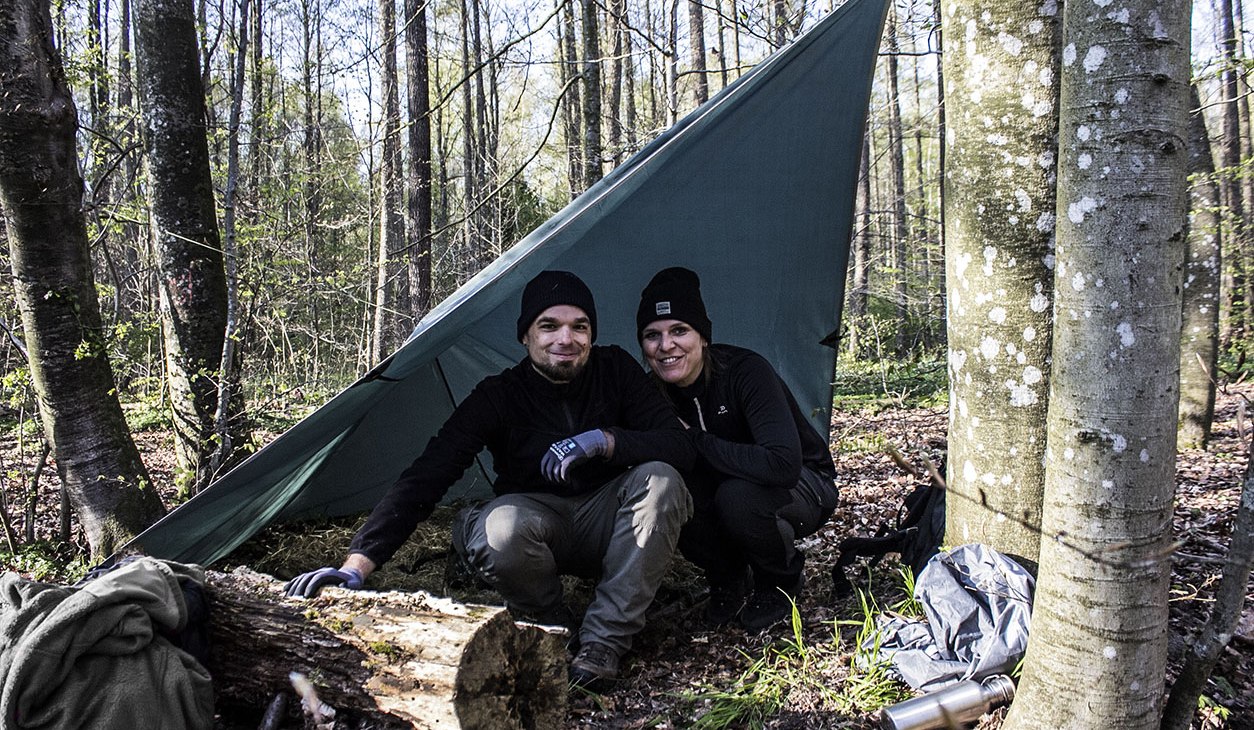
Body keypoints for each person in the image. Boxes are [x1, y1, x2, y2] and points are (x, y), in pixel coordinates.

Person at [286, 270, 695, 689]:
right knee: (501, 528)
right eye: (549, 326)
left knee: (662, 480)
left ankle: (602, 643)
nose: (565, 339)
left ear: (592, 334)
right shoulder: (499, 395)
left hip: (608, 522)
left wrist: (605, 441)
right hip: (536, 525)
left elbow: (679, 447)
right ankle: (549, 622)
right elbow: (428, 474)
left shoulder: (616, 370)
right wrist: (357, 565)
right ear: (526, 336)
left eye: (579, 326)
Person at [635, 266, 838, 631]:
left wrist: (696, 440)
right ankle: (728, 580)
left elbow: (782, 465)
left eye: (679, 330)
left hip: (804, 485)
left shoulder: (744, 372)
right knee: (676, 492)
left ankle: (780, 581)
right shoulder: (652, 394)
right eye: (653, 335)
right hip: (724, 486)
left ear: (703, 337)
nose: (666, 346)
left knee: (737, 496)